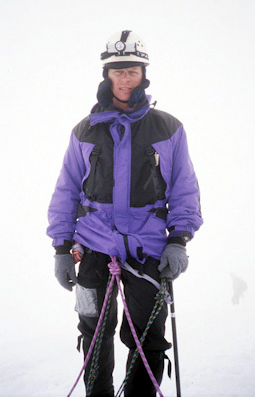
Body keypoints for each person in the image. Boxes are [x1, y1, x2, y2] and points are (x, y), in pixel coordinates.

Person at [47, 30, 203, 397]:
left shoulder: (168, 127)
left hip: (147, 246)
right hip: (92, 245)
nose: (125, 79)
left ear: (143, 73)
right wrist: (60, 247)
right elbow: (66, 189)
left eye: (132, 71)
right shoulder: (84, 130)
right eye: (118, 72)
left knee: (147, 335)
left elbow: (184, 187)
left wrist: (178, 240)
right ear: (107, 75)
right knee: (93, 331)